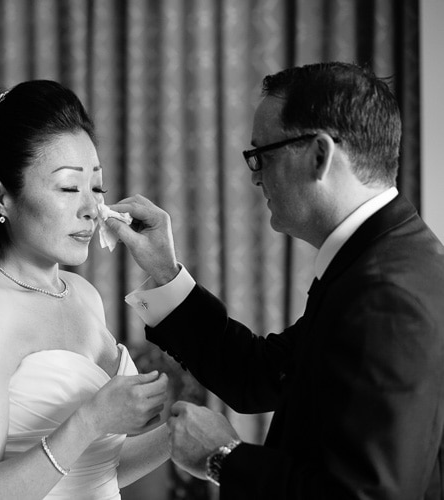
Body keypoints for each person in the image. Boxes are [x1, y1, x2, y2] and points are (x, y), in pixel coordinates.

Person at [104, 62, 444, 499]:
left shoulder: (387, 295)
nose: (254, 175)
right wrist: (166, 272)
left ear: (320, 155)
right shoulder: (381, 258)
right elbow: (262, 375)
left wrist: (223, 457)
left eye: (262, 154)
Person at [0, 80, 170, 500]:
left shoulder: (83, 295)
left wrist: (178, 436)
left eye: (96, 187)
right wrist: (91, 420)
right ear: (0, 197)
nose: (91, 208)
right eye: (68, 187)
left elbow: (94, 472)